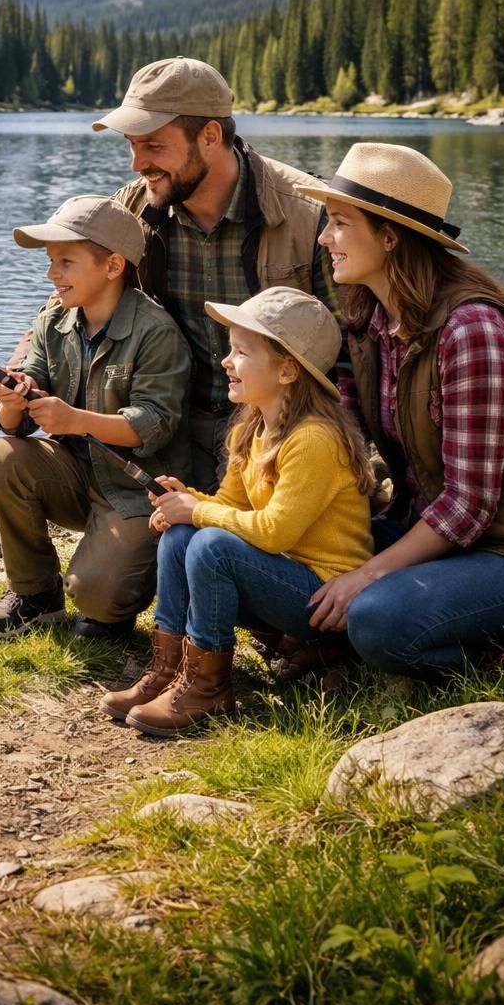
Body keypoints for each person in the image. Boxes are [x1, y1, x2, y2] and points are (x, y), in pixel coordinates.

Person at [301, 142, 504, 677]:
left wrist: (367, 575)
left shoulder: (473, 330)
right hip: (432, 534)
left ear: (389, 235)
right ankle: (362, 641)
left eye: (338, 223)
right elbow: (347, 440)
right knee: (294, 558)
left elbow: (469, 504)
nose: (324, 238)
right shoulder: (373, 319)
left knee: (378, 619)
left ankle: (503, 655)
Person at [101, 287, 373, 736]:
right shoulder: (251, 428)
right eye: (230, 350)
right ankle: (170, 670)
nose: (226, 362)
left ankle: (209, 689)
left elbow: (272, 533)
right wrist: (185, 502)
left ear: (287, 369)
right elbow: (230, 509)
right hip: (280, 580)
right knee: (180, 535)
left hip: (324, 601)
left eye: (242, 352)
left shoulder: (313, 440)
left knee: (210, 544)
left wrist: (198, 513)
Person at [94, 56, 337, 492]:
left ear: (210, 136)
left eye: (152, 145)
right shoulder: (130, 209)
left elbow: (355, 353)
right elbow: (68, 307)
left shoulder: (310, 216)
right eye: (130, 145)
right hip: (166, 441)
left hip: (278, 449)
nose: (136, 163)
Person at [0, 194, 192, 640]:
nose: (53, 274)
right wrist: (12, 402)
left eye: (66, 262)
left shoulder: (155, 330)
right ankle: (35, 595)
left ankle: (114, 596)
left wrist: (75, 420)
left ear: (112, 266)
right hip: (71, 475)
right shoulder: (55, 319)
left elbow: (154, 422)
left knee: (95, 598)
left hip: (134, 492)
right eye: (52, 261)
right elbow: (22, 413)